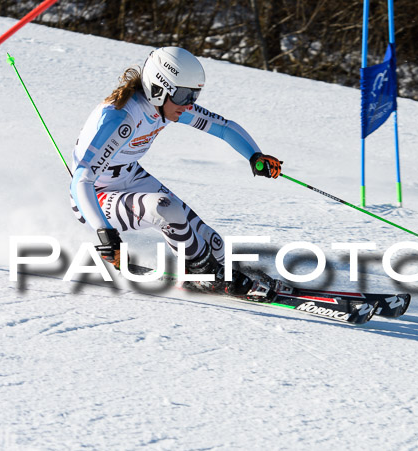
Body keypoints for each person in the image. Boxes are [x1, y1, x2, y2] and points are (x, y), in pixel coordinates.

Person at [70, 46, 281, 297]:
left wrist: (255, 155)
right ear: (158, 88)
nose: (188, 104)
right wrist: (105, 233)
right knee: (165, 208)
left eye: (194, 96)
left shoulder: (168, 106)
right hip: (96, 196)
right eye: (183, 96)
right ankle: (201, 274)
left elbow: (223, 128)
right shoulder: (121, 118)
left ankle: (224, 271)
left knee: (213, 243)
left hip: (130, 176)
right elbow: (81, 180)